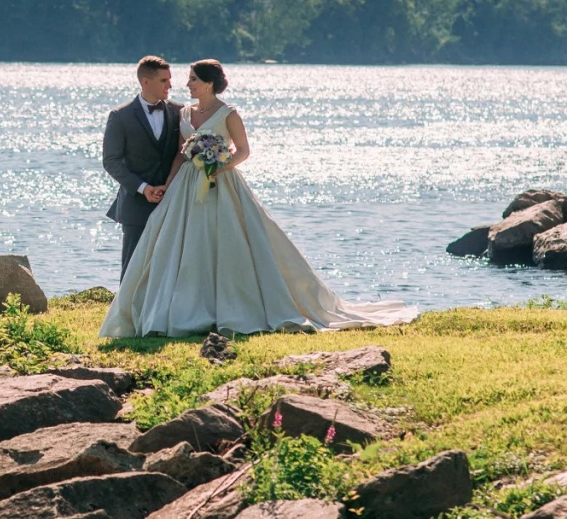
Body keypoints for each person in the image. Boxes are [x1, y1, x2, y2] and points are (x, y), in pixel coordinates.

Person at [100, 59, 417, 337]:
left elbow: (243, 151)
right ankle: (160, 308)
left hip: (221, 184)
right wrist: (168, 186)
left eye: (192, 79)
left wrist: (216, 167)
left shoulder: (225, 113)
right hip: (181, 189)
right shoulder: (177, 112)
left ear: (209, 83)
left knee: (229, 243)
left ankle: (232, 304)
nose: (184, 84)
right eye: (174, 80)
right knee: (176, 248)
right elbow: (177, 156)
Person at [101, 55, 181, 279]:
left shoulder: (179, 112)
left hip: (173, 201)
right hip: (136, 204)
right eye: (164, 80)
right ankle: (127, 313)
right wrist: (144, 188)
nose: (170, 85)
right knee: (132, 269)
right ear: (146, 82)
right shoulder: (120, 116)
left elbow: (184, 154)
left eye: (170, 79)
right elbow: (111, 161)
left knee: (171, 267)